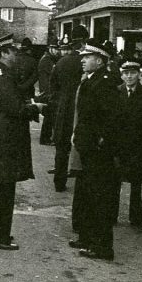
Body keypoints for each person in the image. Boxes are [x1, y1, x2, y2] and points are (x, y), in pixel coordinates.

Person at [0, 35, 44, 250]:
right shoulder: (3, 77)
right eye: (13, 51)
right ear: (4, 53)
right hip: (3, 139)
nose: (16, 54)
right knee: (3, 190)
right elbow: (15, 109)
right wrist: (37, 108)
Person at [67, 38, 121, 260]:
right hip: (88, 148)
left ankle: (102, 246)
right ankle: (88, 239)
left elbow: (111, 118)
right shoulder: (92, 81)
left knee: (99, 198)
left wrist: (100, 141)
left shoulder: (105, 83)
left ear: (99, 60)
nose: (82, 60)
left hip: (98, 152)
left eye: (87, 57)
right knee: (89, 196)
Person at [112, 58, 142, 228]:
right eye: (126, 73)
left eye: (133, 73)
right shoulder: (115, 92)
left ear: (139, 75)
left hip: (137, 145)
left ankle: (136, 218)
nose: (129, 77)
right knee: (114, 182)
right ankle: (111, 215)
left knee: (136, 183)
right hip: (118, 145)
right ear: (121, 75)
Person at [50, 25, 89, 192]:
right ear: (84, 42)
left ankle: (59, 181)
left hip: (62, 108)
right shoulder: (85, 63)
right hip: (78, 109)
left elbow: (53, 86)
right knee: (80, 145)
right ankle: (81, 181)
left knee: (61, 146)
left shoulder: (60, 62)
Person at [37, 41, 60, 145]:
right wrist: (48, 92)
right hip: (47, 91)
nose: (57, 51)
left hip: (47, 91)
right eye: (55, 49)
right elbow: (48, 79)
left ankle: (46, 137)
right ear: (50, 49)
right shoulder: (47, 60)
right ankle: (45, 138)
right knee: (49, 115)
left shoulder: (48, 59)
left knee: (49, 114)